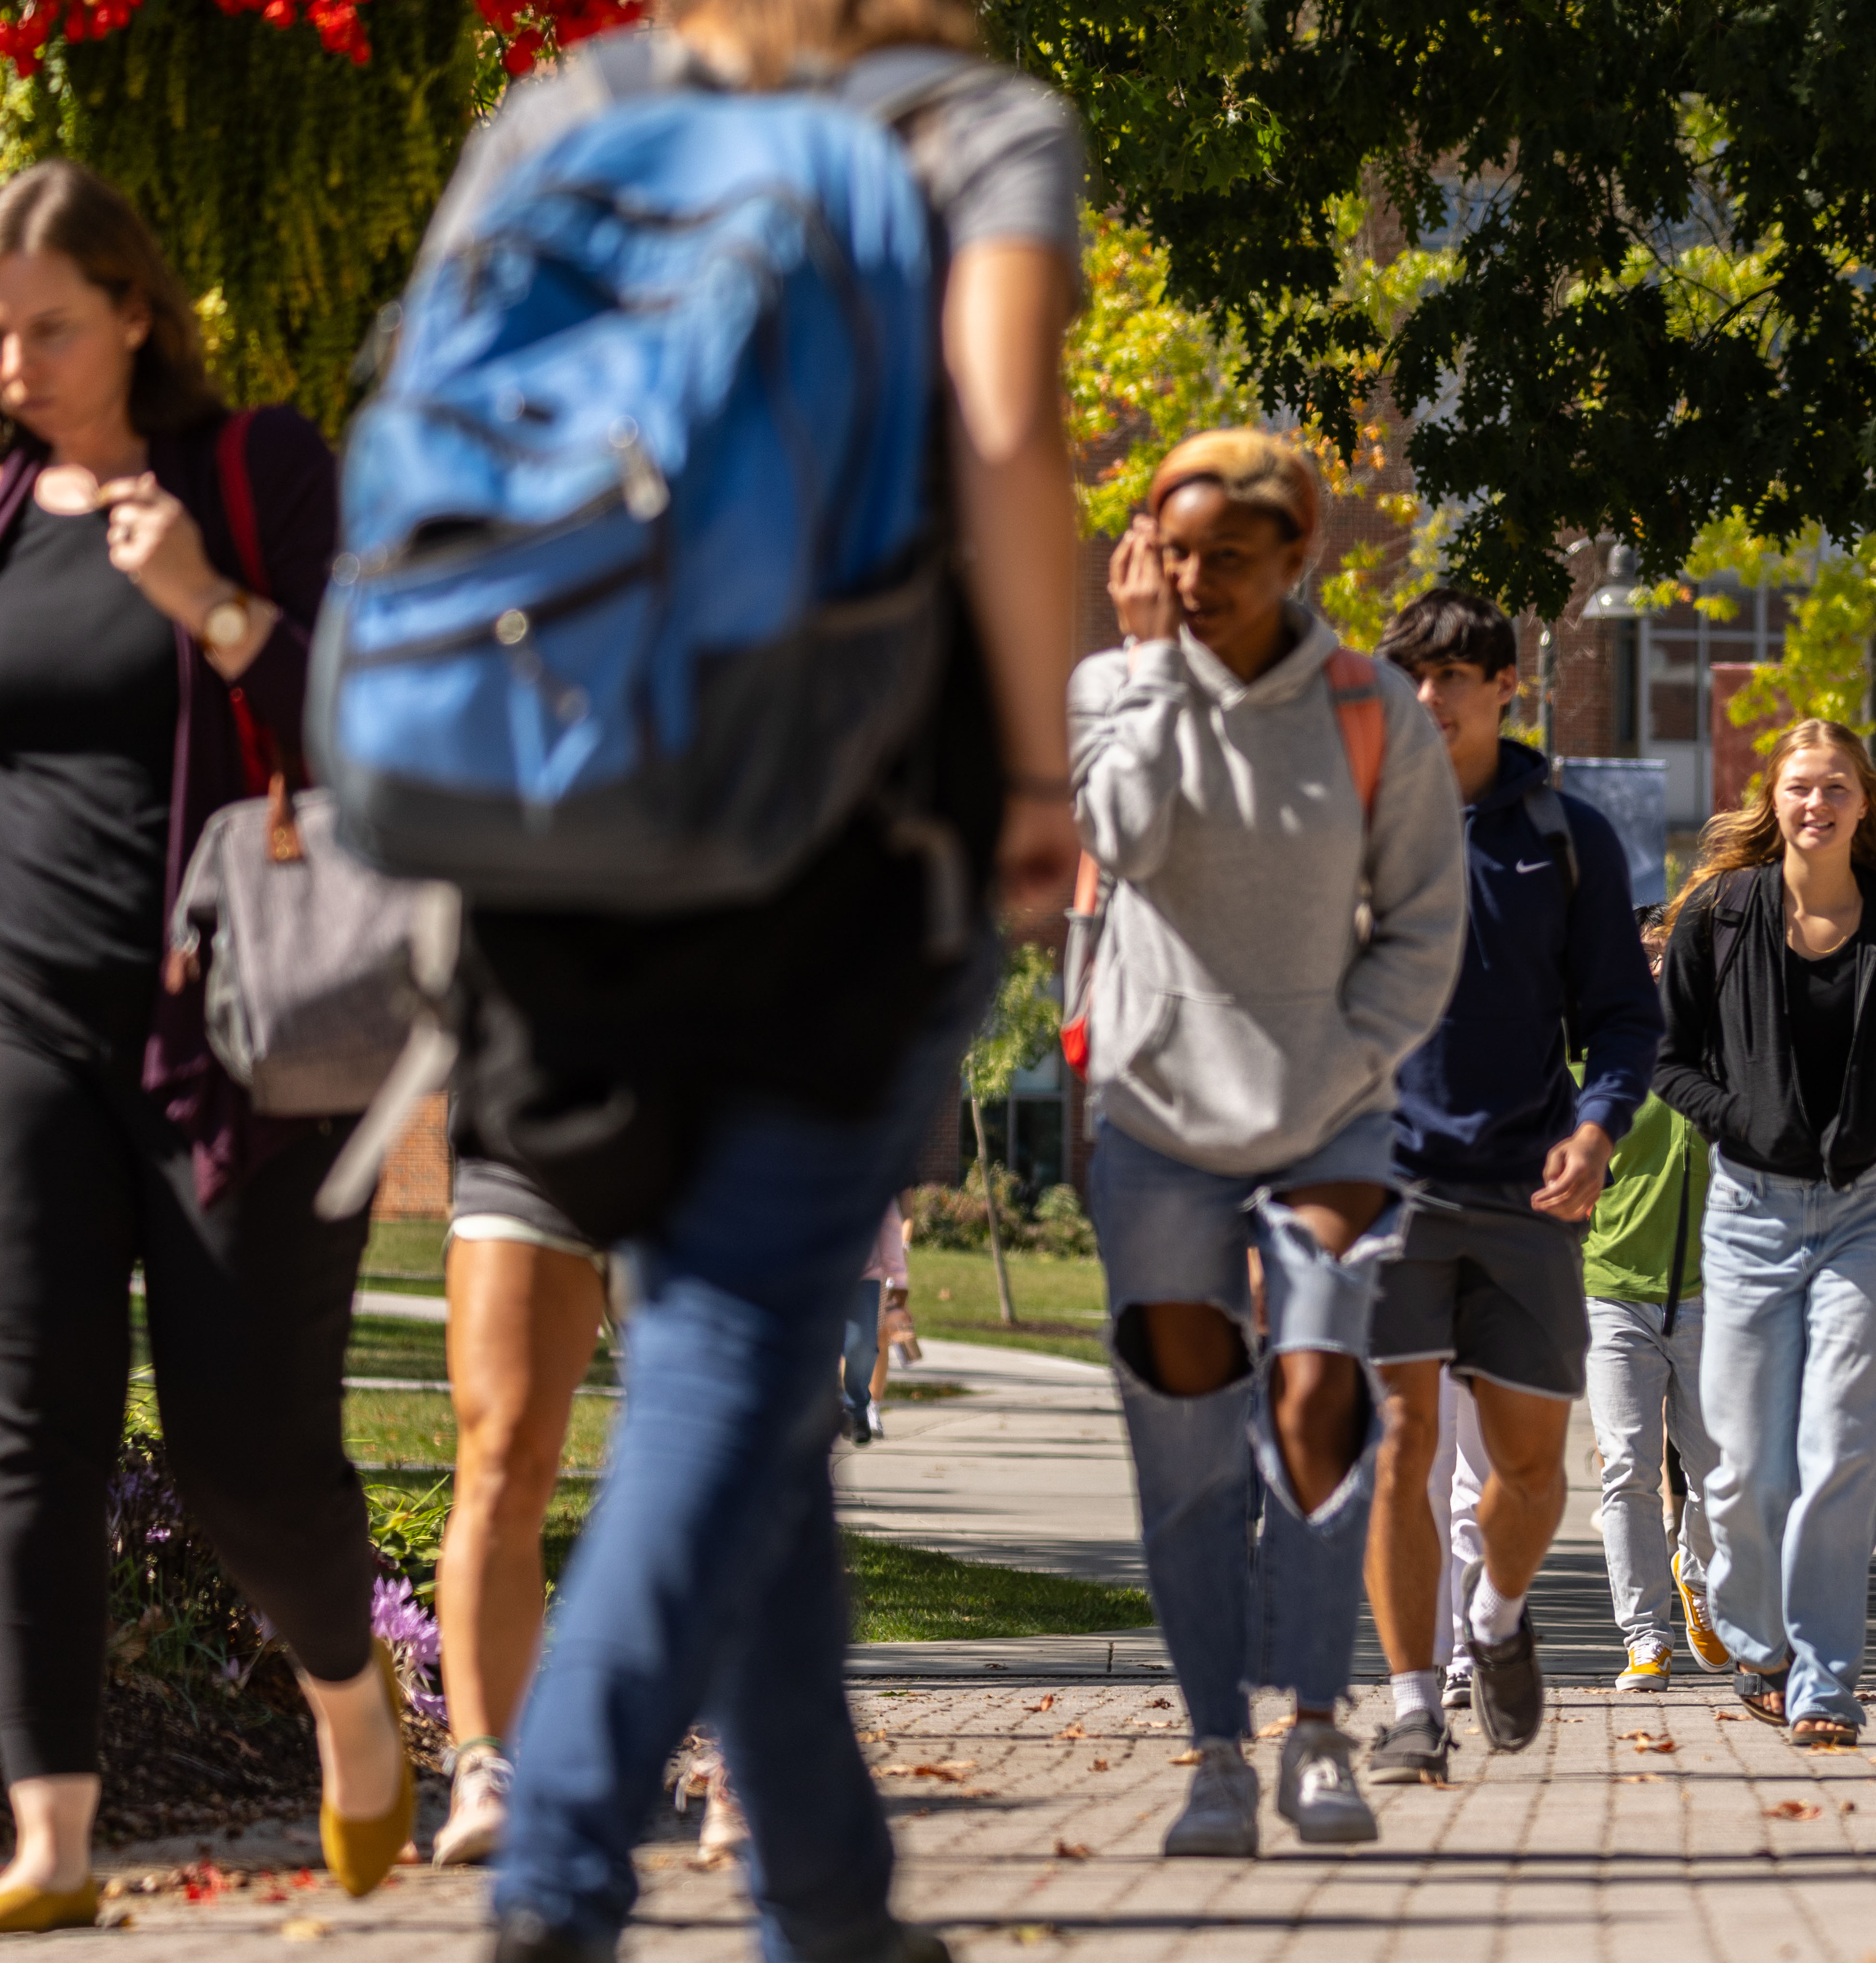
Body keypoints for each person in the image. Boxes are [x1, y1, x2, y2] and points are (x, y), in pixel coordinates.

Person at [418, 6, 1094, 1950]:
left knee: (744, 1350)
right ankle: (558, 1848)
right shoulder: (971, 122)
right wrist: (1037, 767)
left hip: (554, 809)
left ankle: (829, 1890)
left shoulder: (572, 108)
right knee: (731, 1348)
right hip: (842, 833)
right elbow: (1003, 428)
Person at [0, 160, 402, 1928]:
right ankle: (53, 1836)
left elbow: (360, 723)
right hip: (22, 1029)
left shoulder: (256, 473)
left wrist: (211, 607)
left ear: (136, 314)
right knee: (32, 1439)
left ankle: (349, 1701)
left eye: (48, 328)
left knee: (247, 1453)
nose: (15, 361)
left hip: (234, 1037)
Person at [1073, 429, 1461, 1851]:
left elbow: (1426, 916)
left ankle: (1316, 1730)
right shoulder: (1113, 686)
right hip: (1162, 1123)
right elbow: (1121, 835)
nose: (1190, 582)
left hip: (1329, 1120)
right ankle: (1216, 1753)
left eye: (1223, 559)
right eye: (1172, 557)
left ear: (1298, 557)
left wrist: (1348, 1057)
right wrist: (1156, 674)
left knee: (1315, 1407)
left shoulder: (1370, 708)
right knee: (1185, 1453)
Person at [1354, 589, 1656, 1780]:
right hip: (1386, 1190)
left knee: (1533, 1467)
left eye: (1455, 677)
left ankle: (1496, 1620)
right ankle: (1413, 1700)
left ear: (1502, 689)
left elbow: (1626, 1017)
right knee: (1402, 1442)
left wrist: (1596, 1126)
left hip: (1528, 1189)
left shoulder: (1564, 834)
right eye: (1412, 676)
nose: (1430, 699)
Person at [1652, 719, 1876, 1748]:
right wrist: (1741, 1119)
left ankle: (1825, 1680)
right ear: (1773, 799)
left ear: (1863, 802)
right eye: (1799, 787)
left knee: (1842, 1450)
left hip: (1872, 1208)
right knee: (1744, 1466)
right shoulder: (1721, 914)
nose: (1816, 803)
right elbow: (1670, 1057)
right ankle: (1759, 1642)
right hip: (1749, 1212)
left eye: (1835, 786)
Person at [424, 1157, 609, 1868]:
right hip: (531, 1131)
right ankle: (485, 1770)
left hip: (714, 1127)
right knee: (501, 1456)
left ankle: (740, 1766)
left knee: (730, 1455)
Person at [1581, 905, 1727, 1689]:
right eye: (1643, 954)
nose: (1657, 968)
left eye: (1670, 954)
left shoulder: (1726, 1049)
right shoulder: (1599, 1054)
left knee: (1716, 1469)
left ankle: (1696, 1577)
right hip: (1614, 1289)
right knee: (1629, 1466)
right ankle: (1645, 1635)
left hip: (1712, 1292)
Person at [843, 1200, 912, 1445]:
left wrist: (899, 1280)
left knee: (863, 1344)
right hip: (816, 1272)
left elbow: (891, 1226)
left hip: (866, 1276)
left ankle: (857, 1409)